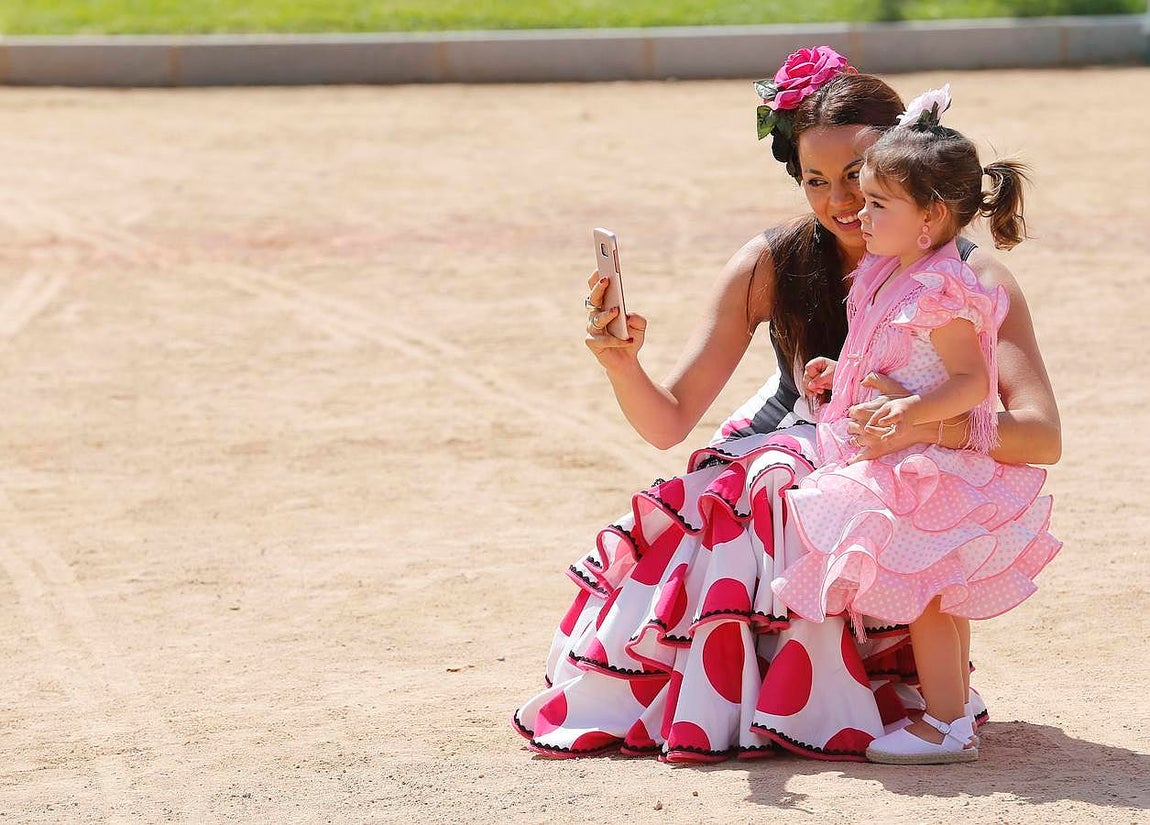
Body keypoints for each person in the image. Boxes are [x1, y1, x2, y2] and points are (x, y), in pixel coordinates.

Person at [513, 47, 1061, 763]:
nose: (841, 202)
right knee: (761, 485)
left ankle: (840, 700)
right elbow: (668, 421)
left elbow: (1041, 435)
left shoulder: (966, 277)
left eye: (860, 178)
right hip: (791, 442)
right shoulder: (773, 260)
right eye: (815, 180)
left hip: (895, 455)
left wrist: (923, 424)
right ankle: (732, 701)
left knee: (795, 490)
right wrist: (622, 363)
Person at [770, 85, 1061, 765]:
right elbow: (888, 355)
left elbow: (966, 382)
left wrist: (911, 416)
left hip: (931, 466)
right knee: (939, 594)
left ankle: (946, 722)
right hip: (909, 451)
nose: (857, 215)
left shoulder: (945, 288)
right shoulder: (888, 273)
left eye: (876, 204)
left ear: (928, 218)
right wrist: (834, 373)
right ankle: (951, 713)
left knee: (932, 597)